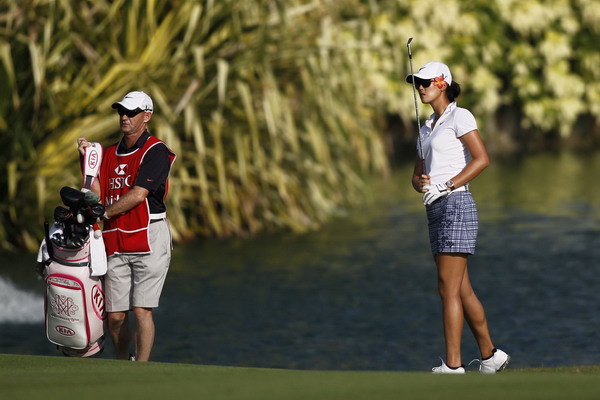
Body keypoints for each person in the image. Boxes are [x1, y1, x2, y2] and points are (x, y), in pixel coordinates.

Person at [407, 62, 509, 374]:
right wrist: (423, 183)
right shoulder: (426, 128)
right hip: (435, 208)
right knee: (461, 289)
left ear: (443, 83)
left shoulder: (459, 116)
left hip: (456, 205)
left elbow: (482, 159)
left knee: (446, 288)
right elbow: (415, 176)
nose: (421, 88)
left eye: (426, 82)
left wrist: (446, 184)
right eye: (417, 83)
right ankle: (491, 356)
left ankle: (453, 365)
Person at [77, 91, 176, 362]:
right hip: (115, 239)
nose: (124, 116)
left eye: (131, 112)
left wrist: (103, 212)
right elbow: (95, 193)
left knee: (142, 309)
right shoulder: (107, 153)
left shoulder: (156, 151)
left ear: (147, 116)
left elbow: (139, 194)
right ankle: (123, 363)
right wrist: (87, 162)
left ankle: (141, 370)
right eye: (121, 111)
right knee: (115, 315)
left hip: (149, 238)